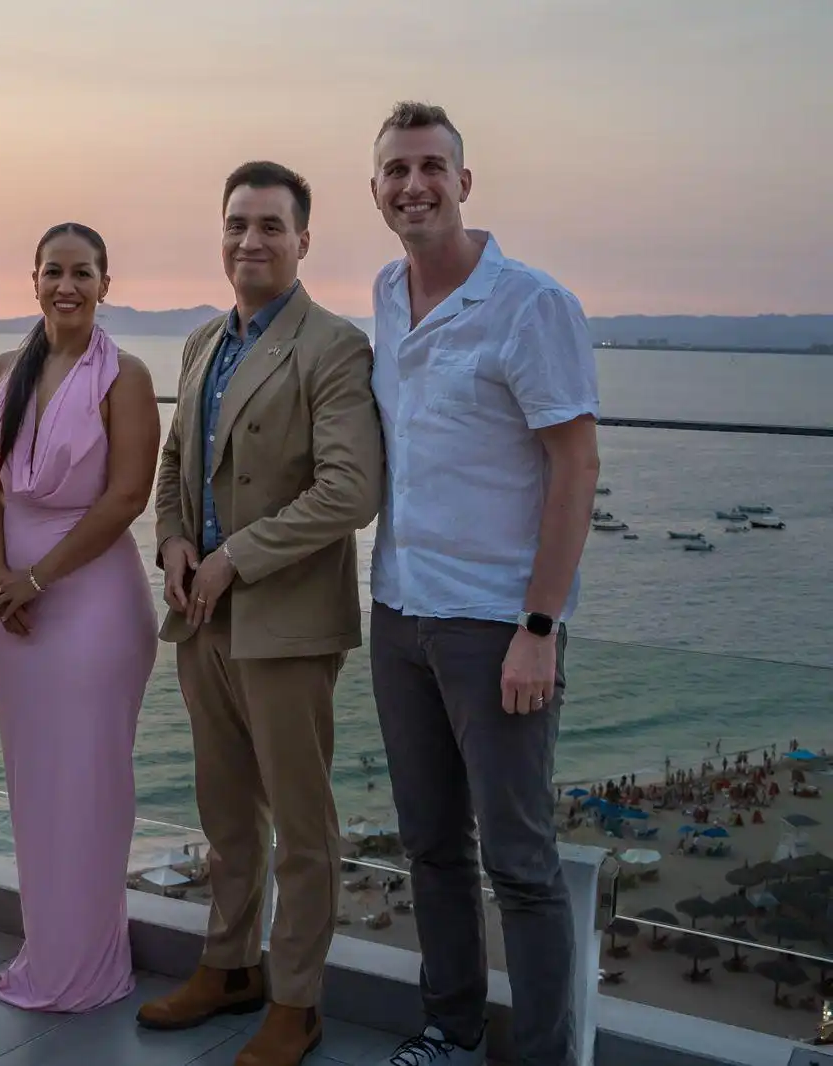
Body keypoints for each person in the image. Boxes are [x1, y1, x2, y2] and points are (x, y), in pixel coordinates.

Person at [365, 101, 600, 1066]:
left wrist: (538, 627)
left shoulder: (531, 305)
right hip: (397, 611)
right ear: (376, 191)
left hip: (496, 624)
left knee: (522, 862)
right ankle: (451, 1031)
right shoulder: (386, 293)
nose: (414, 185)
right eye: (396, 170)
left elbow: (575, 467)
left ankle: (545, 1057)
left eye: (431, 167)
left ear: (464, 182)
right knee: (430, 844)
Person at [138, 162, 384, 1066]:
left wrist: (235, 557)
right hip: (200, 617)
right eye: (237, 223)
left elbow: (351, 490)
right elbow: (175, 463)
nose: (251, 240)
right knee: (227, 815)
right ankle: (230, 965)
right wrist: (172, 541)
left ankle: (297, 1002)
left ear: (304, 240)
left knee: (302, 830)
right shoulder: (204, 341)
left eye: (271, 225)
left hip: (286, 622)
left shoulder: (335, 346)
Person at [0, 223, 160, 1012]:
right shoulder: (3, 369)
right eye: (54, 271)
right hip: (13, 608)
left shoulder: (127, 377)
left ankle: (87, 964)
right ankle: (48, 946)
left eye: (83, 273)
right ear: (35, 280)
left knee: (87, 783)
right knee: (34, 783)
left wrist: (38, 578)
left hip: (92, 605)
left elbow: (127, 498)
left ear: (105, 284)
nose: (67, 286)